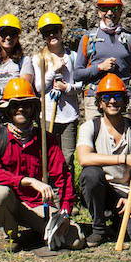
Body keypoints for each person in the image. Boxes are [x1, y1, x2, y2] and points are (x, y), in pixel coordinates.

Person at [0, 78, 83, 252]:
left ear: (33, 109)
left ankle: (34, 234)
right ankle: (12, 235)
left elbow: (63, 176)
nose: (21, 109)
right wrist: (28, 181)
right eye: (15, 105)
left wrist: (65, 211)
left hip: (38, 205)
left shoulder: (46, 139)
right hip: (9, 203)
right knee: (0, 193)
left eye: (26, 105)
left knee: (75, 240)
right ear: (8, 111)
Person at [77, 74, 131, 247]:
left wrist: (130, 198)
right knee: (90, 174)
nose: (112, 101)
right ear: (99, 102)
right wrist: (124, 159)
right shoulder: (90, 127)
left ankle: (116, 221)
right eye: (106, 97)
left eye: (118, 96)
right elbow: (84, 158)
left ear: (124, 101)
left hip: (127, 191)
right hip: (102, 190)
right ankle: (99, 228)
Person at [28, 12, 82, 174]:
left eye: (55, 30)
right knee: (48, 157)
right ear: (43, 36)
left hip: (69, 115)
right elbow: (39, 88)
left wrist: (68, 88)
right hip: (47, 114)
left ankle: (68, 196)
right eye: (47, 32)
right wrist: (53, 70)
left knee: (67, 158)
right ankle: (50, 194)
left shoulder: (73, 56)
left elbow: (81, 84)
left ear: (61, 31)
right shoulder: (39, 58)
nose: (52, 34)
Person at [73, 0, 131, 120]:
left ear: (120, 11)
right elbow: (77, 74)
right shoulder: (88, 38)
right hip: (95, 99)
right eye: (104, 8)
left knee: (124, 138)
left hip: (122, 99)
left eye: (114, 8)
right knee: (96, 137)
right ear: (98, 11)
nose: (109, 13)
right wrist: (100, 67)